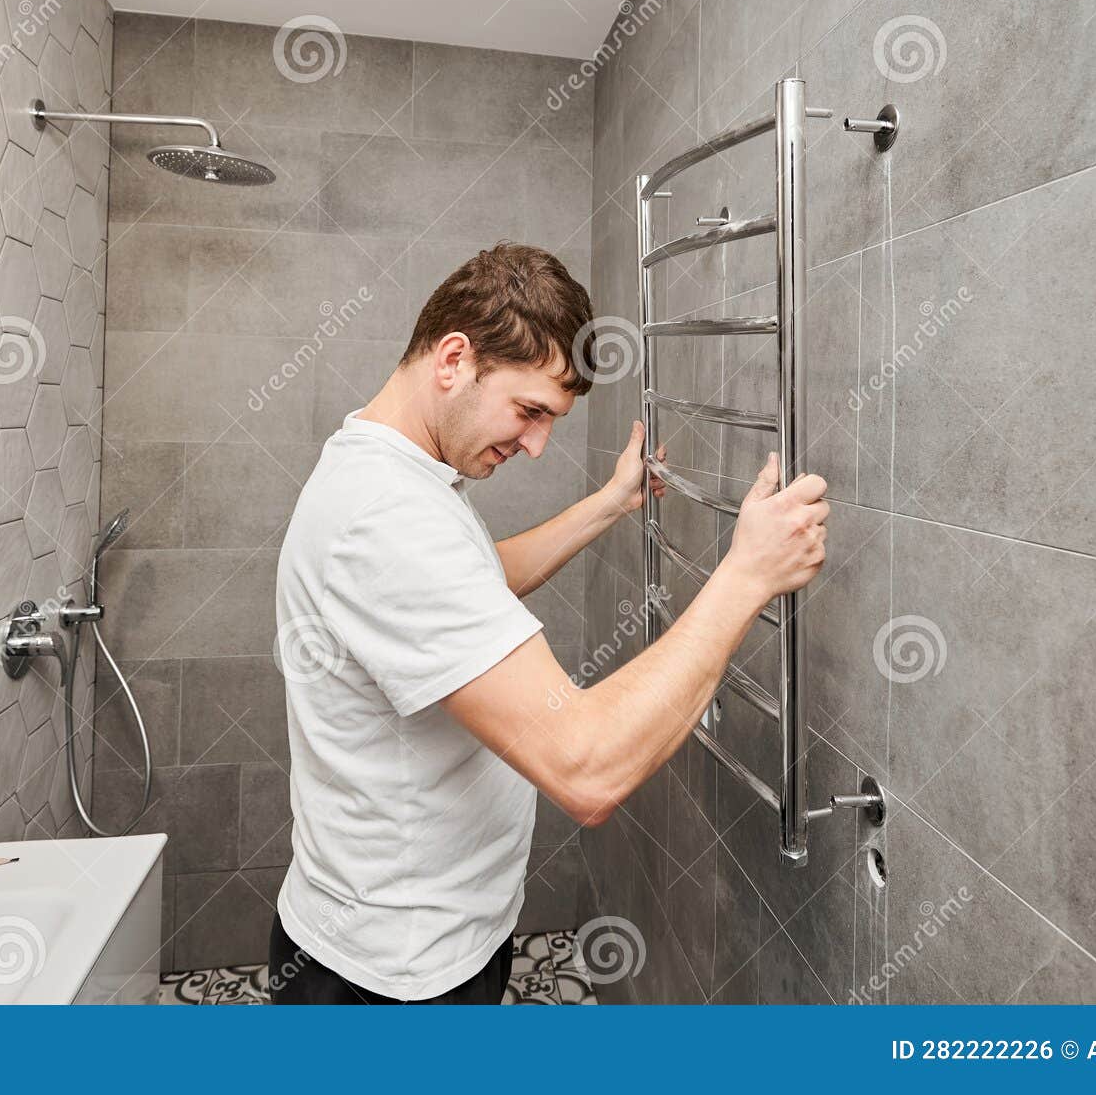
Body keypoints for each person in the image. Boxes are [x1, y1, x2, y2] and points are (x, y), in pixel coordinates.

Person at [268, 242, 827, 1003]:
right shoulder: (386, 519)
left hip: (413, 941)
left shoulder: (392, 473)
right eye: (530, 411)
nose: (535, 445)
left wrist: (609, 503)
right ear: (454, 359)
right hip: (388, 979)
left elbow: (472, 582)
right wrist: (747, 577)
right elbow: (585, 766)